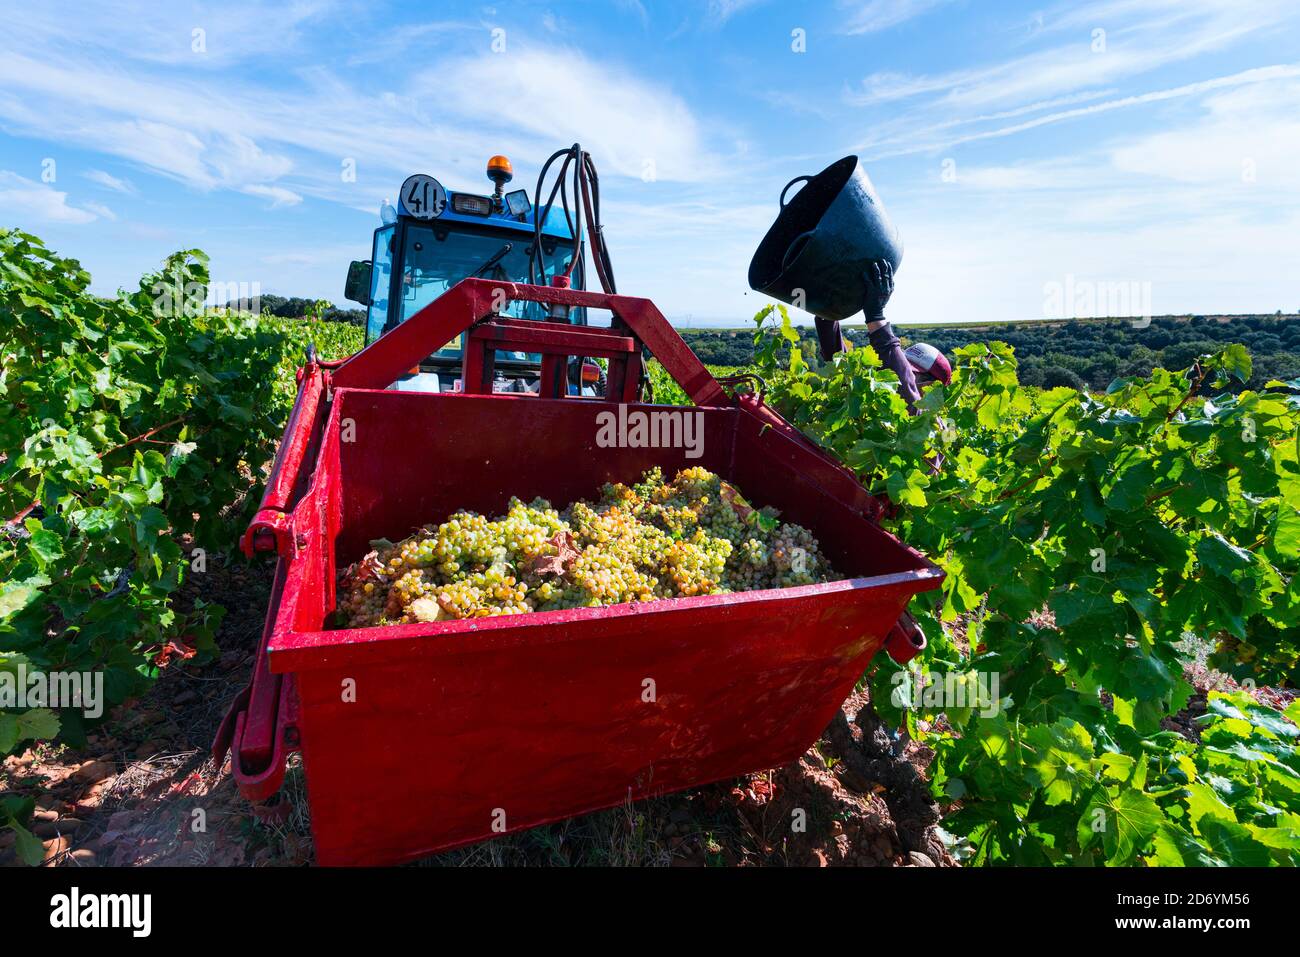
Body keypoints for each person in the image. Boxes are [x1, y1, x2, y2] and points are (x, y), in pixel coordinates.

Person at [812, 259, 951, 409]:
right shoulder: (874, 400)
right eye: (902, 363)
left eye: (910, 372)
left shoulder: (929, 425)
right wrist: (827, 314)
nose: (891, 373)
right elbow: (843, 371)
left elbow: (904, 387)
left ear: (930, 386)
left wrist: (876, 317)